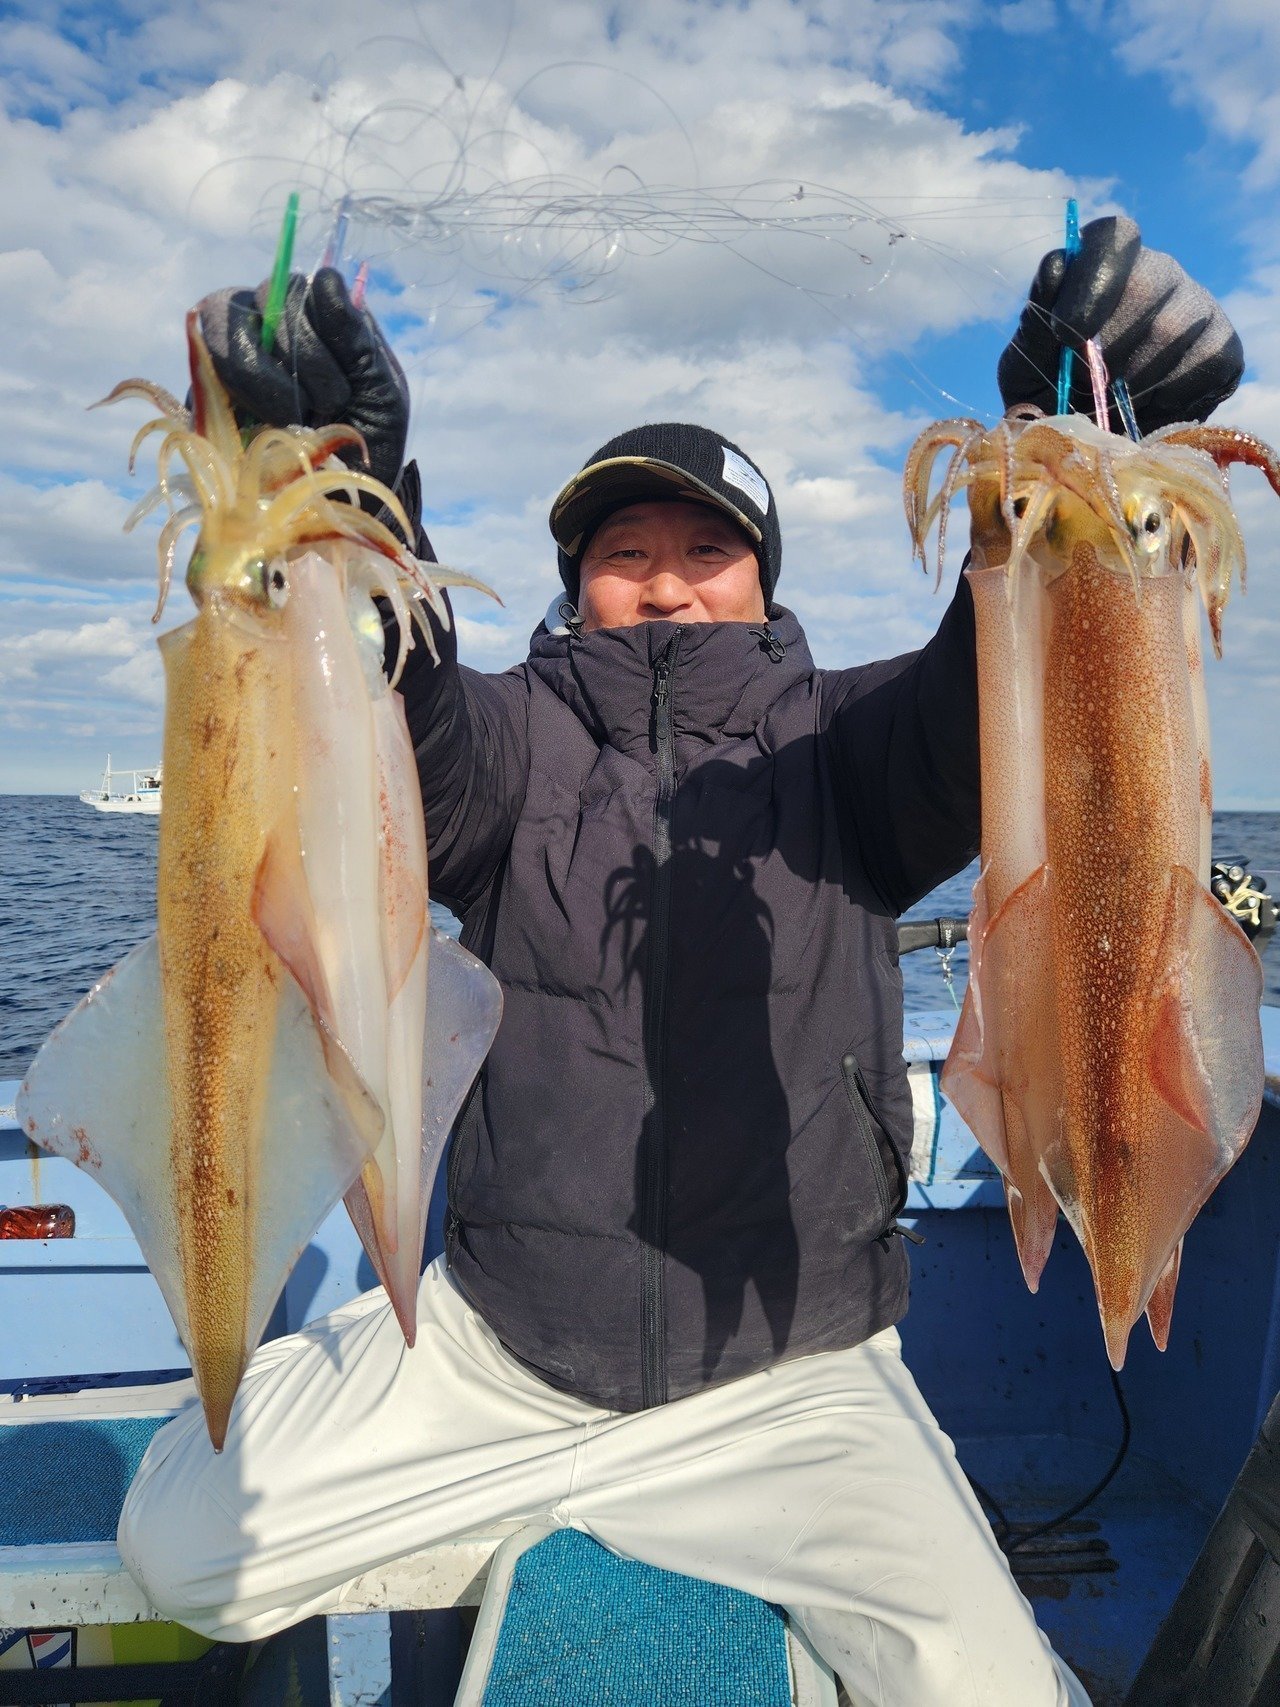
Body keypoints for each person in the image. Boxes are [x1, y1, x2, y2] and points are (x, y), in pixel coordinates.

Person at [118, 218, 1243, 1705]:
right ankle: (537, 1497)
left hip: (796, 1377)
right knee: (179, 1547)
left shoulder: (849, 742)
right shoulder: (508, 742)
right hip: (506, 1349)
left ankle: (569, 1519)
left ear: (763, 580)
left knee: (996, 1693)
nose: (665, 585)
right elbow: (397, 712)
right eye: (622, 556)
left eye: (707, 552)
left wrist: (1065, 457)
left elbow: (1002, 680)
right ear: (573, 585)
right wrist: (356, 506)